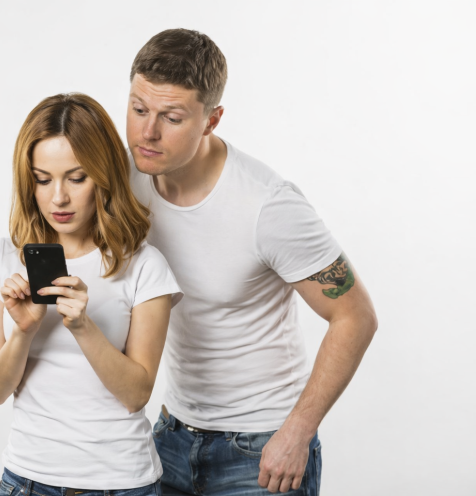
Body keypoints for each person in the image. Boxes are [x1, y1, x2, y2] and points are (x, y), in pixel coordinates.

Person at [125, 29, 378, 495]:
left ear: (211, 119)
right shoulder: (128, 178)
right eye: (139, 109)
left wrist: (297, 433)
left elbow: (355, 316)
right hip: (171, 435)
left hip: (260, 448)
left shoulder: (267, 205)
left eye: (171, 117)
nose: (147, 132)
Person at [0, 93, 183, 495]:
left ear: (102, 176)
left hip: (123, 483)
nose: (58, 198)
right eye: (42, 179)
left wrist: (82, 325)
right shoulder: (3, 259)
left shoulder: (144, 265)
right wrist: (25, 330)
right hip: (28, 480)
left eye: (77, 177)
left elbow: (136, 395)